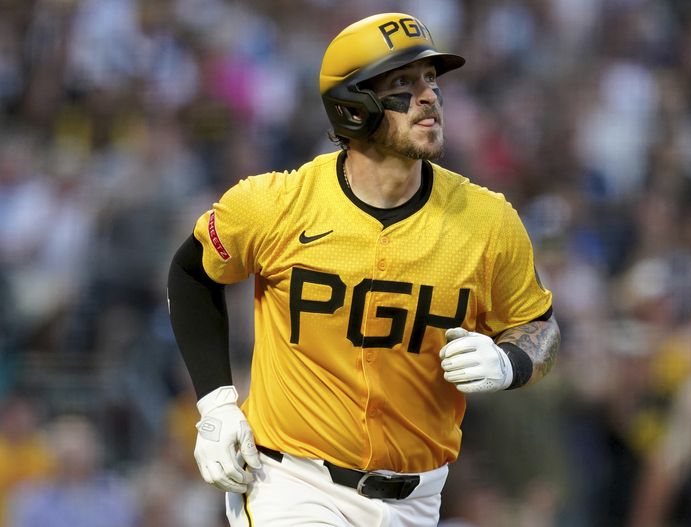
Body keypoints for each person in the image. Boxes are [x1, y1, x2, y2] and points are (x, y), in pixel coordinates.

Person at [167, 12, 560, 527]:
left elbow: (539, 324)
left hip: (419, 501)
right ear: (353, 106)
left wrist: (511, 362)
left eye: (431, 81)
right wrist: (217, 405)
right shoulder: (276, 203)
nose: (429, 97)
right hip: (292, 483)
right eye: (402, 83)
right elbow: (192, 272)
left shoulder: (488, 221)